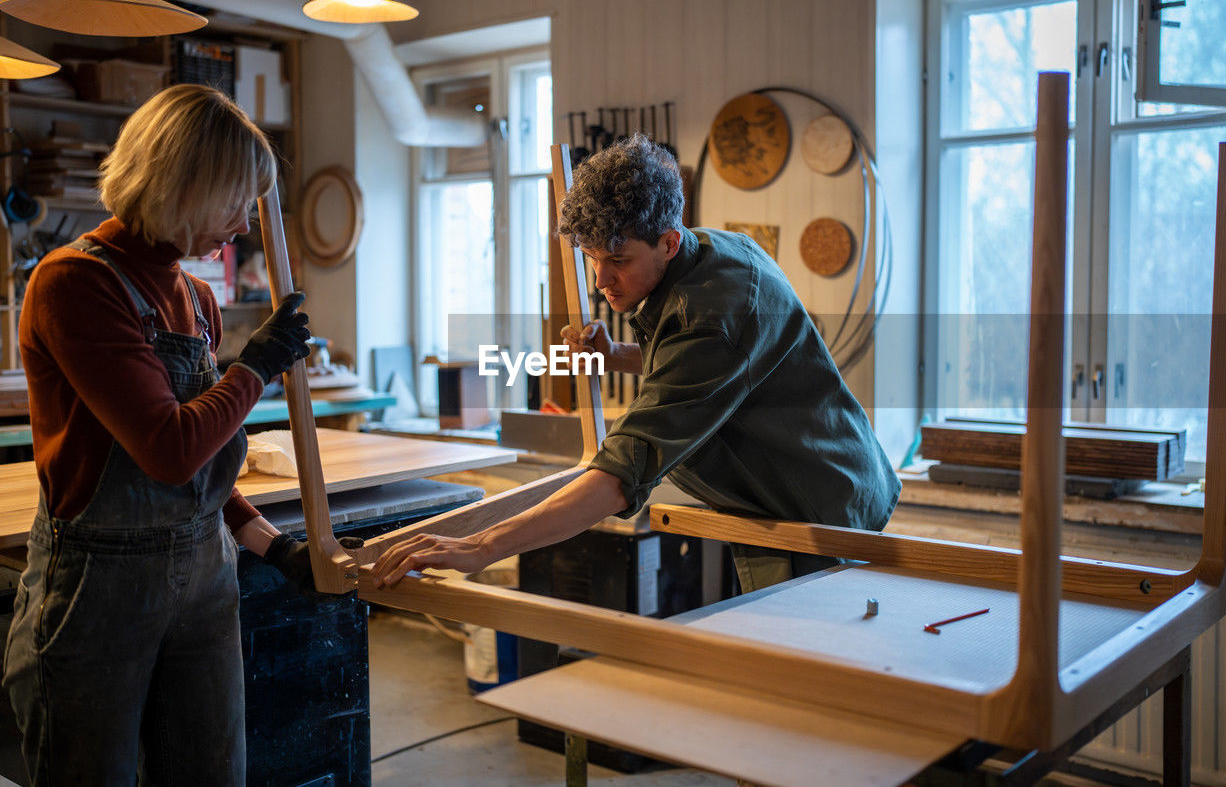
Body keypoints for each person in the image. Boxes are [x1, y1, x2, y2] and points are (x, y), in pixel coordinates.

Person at [371, 133, 900, 593]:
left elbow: (624, 472)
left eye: (618, 260)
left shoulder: (712, 314)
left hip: (819, 508)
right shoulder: (712, 253)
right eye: (592, 258)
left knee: (806, 683)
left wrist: (482, 546)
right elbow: (702, 370)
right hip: (804, 487)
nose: (602, 281)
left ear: (667, 242)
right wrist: (614, 354)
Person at [3, 83, 327, 785]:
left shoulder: (197, 295)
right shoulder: (72, 283)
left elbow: (201, 476)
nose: (243, 224)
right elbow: (168, 448)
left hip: (205, 577)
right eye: (235, 200)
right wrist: (256, 367)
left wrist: (275, 546)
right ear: (184, 183)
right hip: (100, 587)